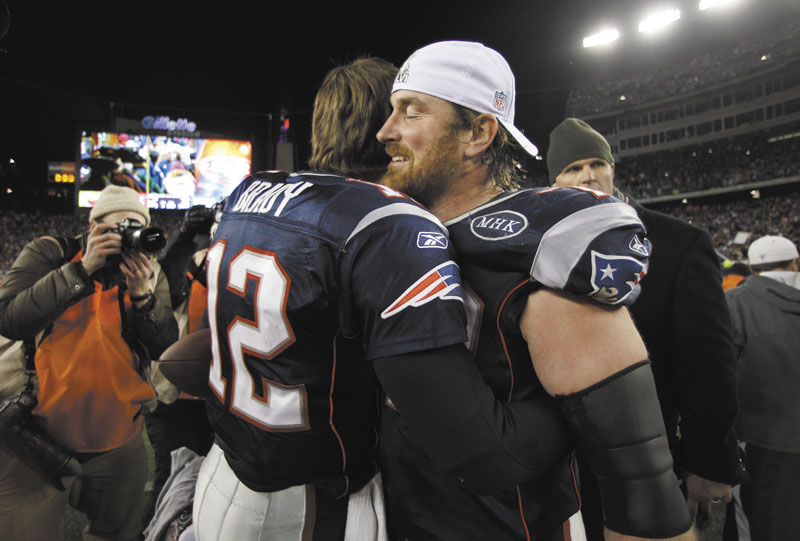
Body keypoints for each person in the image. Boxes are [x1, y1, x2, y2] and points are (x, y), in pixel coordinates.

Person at [193, 56, 572, 541]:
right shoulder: (384, 221)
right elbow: (478, 449)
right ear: (384, 125)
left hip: (225, 468)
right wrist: (582, 410)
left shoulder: (251, 190)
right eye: (401, 110)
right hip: (315, 502)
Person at [376, 40, 694, 540]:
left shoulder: (543, 246)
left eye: (410, 111)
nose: (385, 131)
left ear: (479, 132)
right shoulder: (391, 234)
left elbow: (639, 482)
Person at [546, 117, 745, 537]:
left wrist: (707, 461)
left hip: (655, 454)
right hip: (565, 461)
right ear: (555, 182)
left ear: (612, 169)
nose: (588, 175)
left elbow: (708, 362)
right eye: (573, 168)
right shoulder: (542, 249)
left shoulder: (678, 242)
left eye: (596, 163)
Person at [0, 184, 178, 540]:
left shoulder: (148, 273)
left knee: (118, 533)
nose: (128, 237)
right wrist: (82, 269)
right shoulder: (50, 252)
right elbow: (9, 318)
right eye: (118, 227)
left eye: (136, 226)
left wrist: (142, 295)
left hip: (118, 439)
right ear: (94, 227)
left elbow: (165, 346)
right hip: (38, 435)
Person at [142, 203, 218, 527]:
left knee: (211, 483)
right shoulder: (184, 270)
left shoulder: (230, 267)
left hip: (214, 397)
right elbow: (167, 281)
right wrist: (185, 236)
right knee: (170, 482)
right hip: (173, 396)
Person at [724, 235, 800, 540]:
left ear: (752, 268)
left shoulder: (734, 303)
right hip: (772, 436)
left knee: (762, 525)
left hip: (760, 439)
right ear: (795, 262)